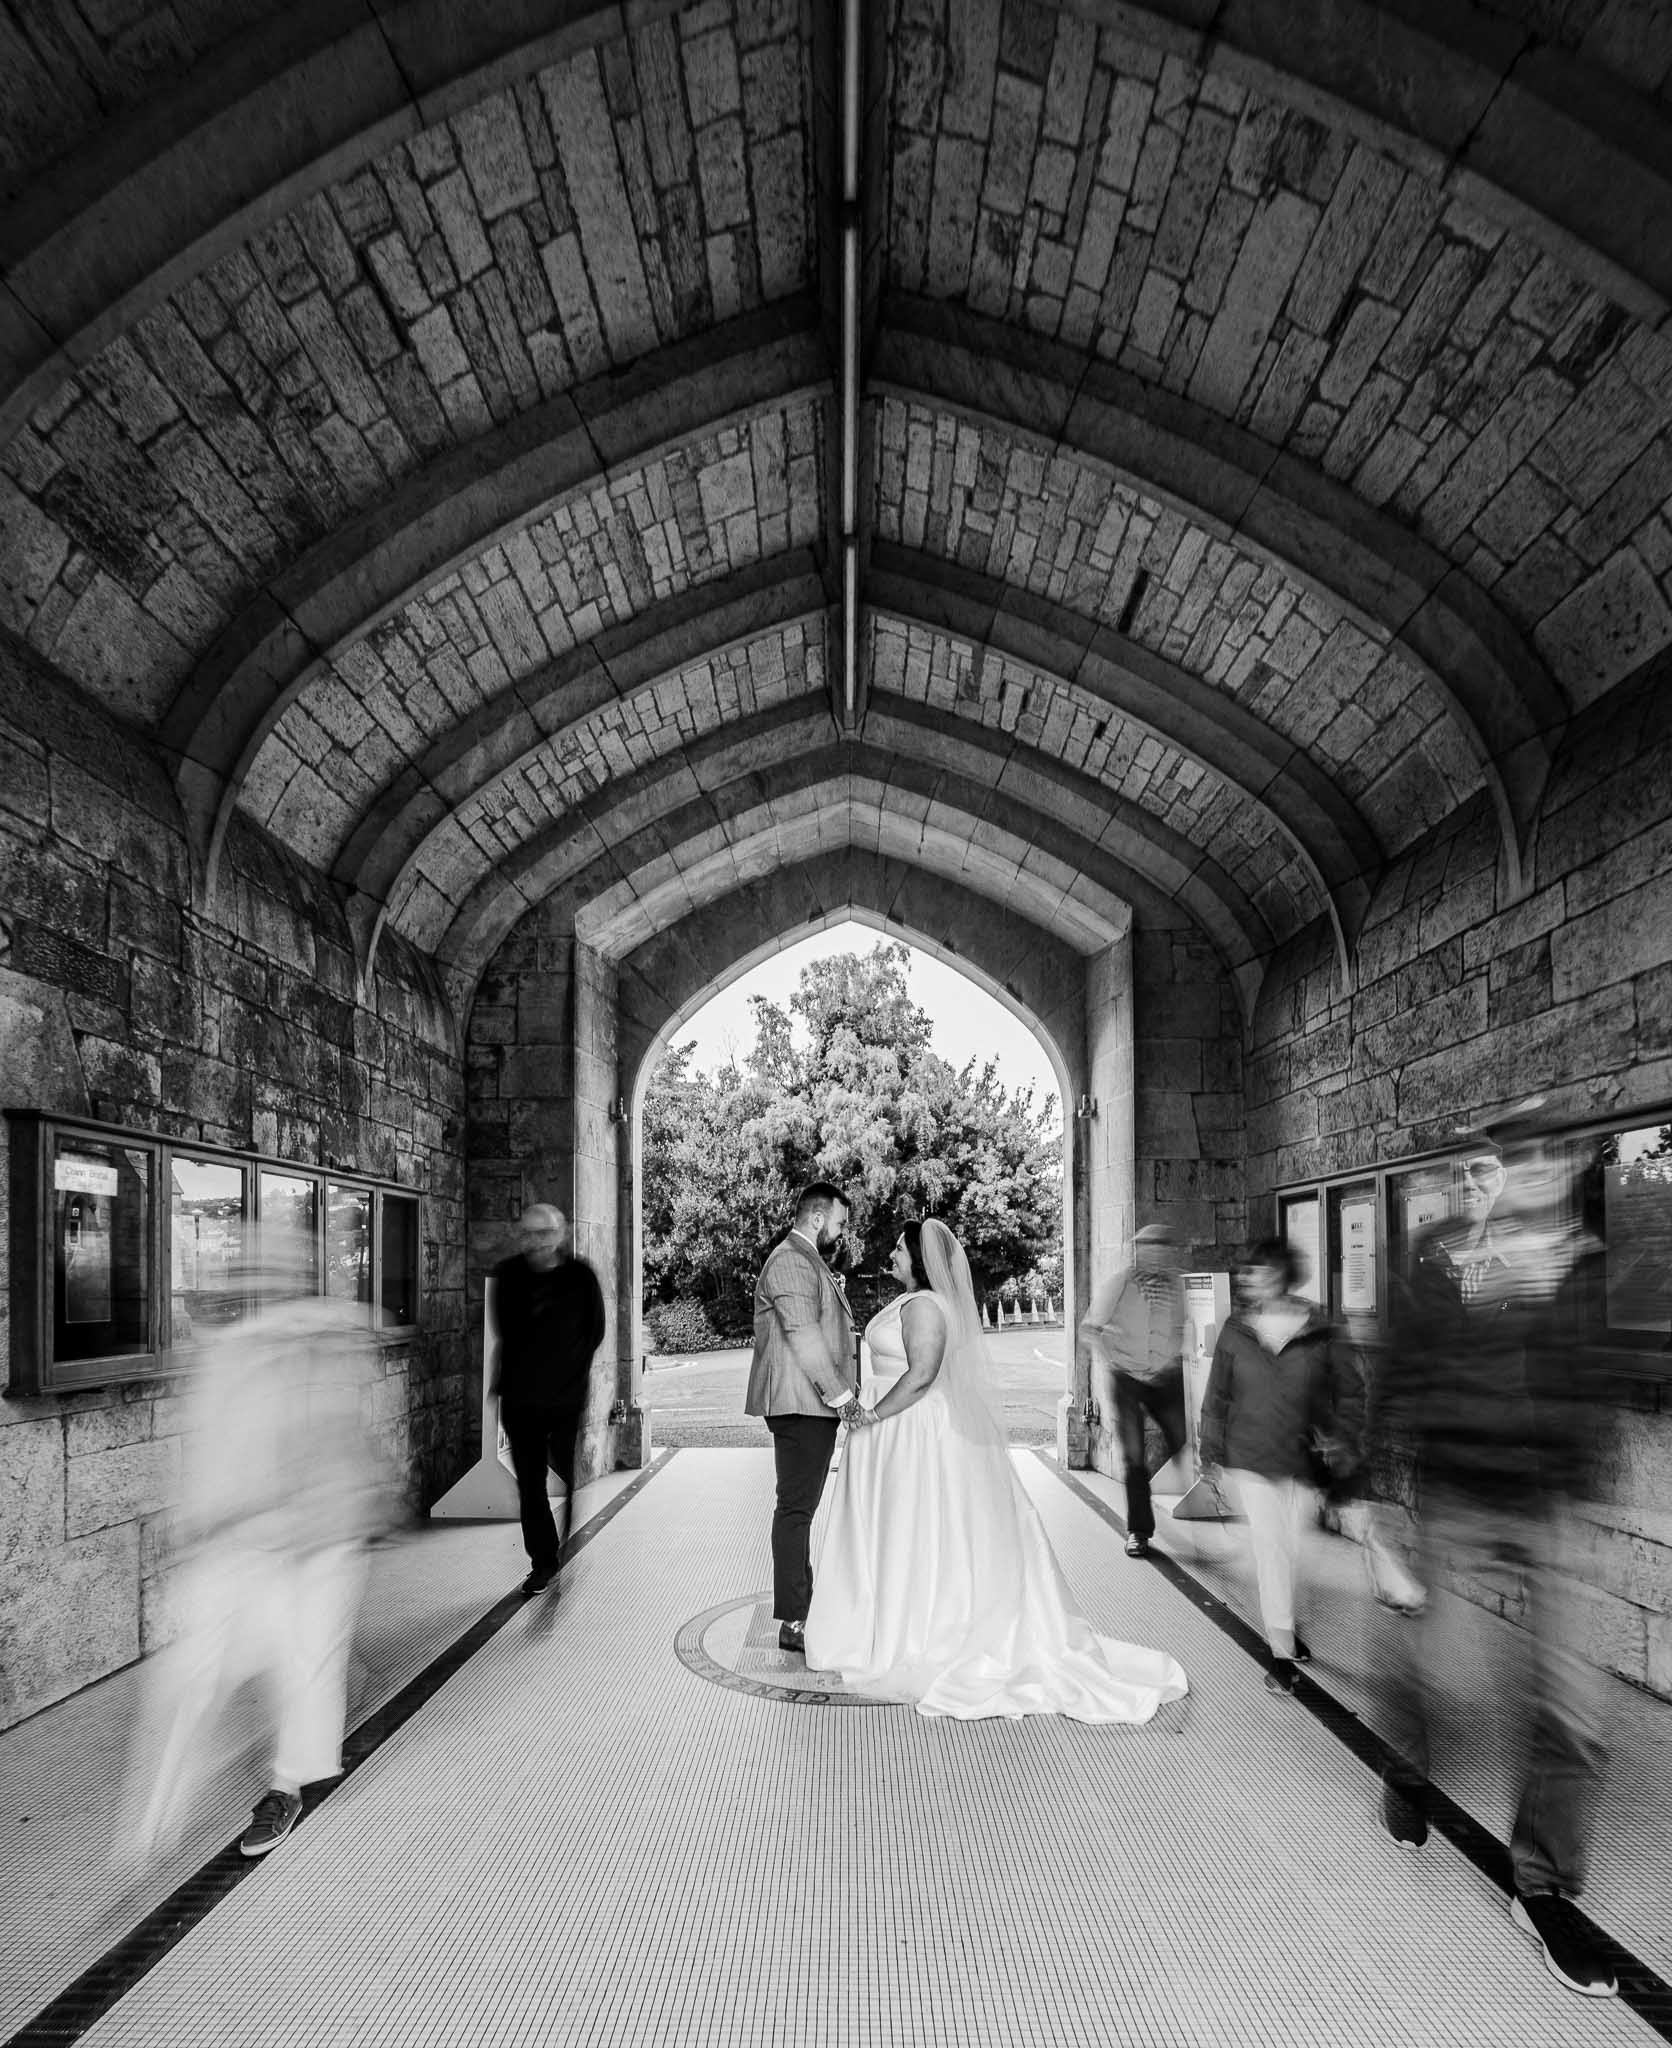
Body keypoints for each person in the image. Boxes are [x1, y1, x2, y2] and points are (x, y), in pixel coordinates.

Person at [1377, 1120, 1617, 1999]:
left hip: (1547, 1501)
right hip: (1458, 1490)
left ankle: (1543, 1885)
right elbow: (1399, 1372)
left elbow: (1586, 1377)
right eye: (1531, 1160)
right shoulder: (1441, 1258)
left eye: (1563, 1157)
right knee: (1438, 1670)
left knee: (1576, 1708)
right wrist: (1375, 1508)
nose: (1548, 1172)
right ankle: (1407, 1768)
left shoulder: (1582, 1257)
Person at [805, 1218, 1188, 1721]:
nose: (893, 1253)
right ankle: (892, 1614)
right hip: (901, 1429)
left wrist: (871, 1413)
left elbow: (921, 1376)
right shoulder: (920, 1301)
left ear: (919, 1258)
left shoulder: (924, 1306)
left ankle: (916, 1626)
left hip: (909, 1428)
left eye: (900, 1247)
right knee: (913, 1529)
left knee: (912, 1528)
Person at [124, 1243, 388, 1861]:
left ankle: (285, 1787)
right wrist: (199, 1520)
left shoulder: (329, 1335)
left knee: (308, 1663)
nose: (262, 1286)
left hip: (324, 1533)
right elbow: (219, 1444)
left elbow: (343, 1431)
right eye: (252, 1274)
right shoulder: (236, 1352)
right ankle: (152, 1820)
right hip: (255, 1539)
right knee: (204, 1670)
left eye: (274, 1273)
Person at [1198, 1239, 1364, 1696]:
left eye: (1262, 1271)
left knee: (1297, 1553)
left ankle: (1288, 1625)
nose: (1251, 1279)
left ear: (1284, 1275)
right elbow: (1218, 1396)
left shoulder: (1322, 1327)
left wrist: (1342, 1437)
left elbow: (1351, 1390)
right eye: (1248, 1272)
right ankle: (1281, 1652)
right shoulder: (1236, 1329)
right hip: (1252, 1458)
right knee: (1273, 1551)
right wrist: (1208, 1453)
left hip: (1304, 1460)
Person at [744, 1182, 861, 1653]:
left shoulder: (808, 1259)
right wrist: (843, 1398)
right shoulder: (792, 1259)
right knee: (795, 1511)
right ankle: (794, 1620)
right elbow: (803, 1334)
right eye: (840, 1221)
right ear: (817, 1218)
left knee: (799, 1509)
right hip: (802, 1405)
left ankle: (802, 1609)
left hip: (807, 1406)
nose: (842, 1230)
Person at [489, 1203, 607, 1597]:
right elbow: (505, 1329)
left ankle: (564, 1536)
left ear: (560, 1235)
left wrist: (570, 1375)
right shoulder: (508, 1276)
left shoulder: (580, 1277)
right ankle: (543, 1561)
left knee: (566, 1473)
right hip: (521, 1399)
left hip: (565, 1399)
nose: (535, 1243)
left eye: (544, 1234)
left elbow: (595, 1331)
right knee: (531, 1484)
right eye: (528, 1234)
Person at [1079, 1222, 1187, 1559]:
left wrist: (1170, 1355)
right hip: (1126, 1379)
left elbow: (1180, 1325)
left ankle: (1185, 1490)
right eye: (1148, 1247)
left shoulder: (1176, 1285)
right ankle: (1139, 1531)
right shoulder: (1119, 1283)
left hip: (1165, 1377)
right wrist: (1115, 1358)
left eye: (1161, 1247)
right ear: (1139, 1251)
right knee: (1134, 1457)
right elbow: (1089, 1329)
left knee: (1182, 1438)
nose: (1155, 1253)